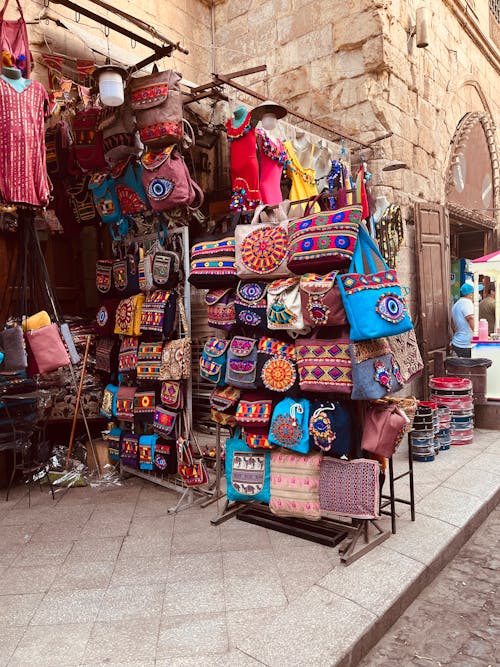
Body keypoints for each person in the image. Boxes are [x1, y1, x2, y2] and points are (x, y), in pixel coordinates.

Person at [451, 283, 475, 357]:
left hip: (457, 341)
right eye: (473, 293)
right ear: (470, 294)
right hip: (465, 344)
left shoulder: (456, 304)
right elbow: (470, 318)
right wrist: (477, 333)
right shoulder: (467, 302)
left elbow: (452, 323)